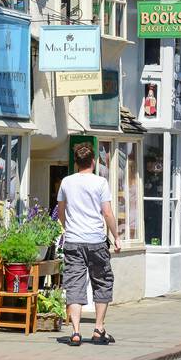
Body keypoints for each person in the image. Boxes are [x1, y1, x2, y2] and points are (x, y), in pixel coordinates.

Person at [56, 142, 121, 346]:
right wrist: (116, 236)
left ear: (76, 163)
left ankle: (75, 332)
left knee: (74, 284)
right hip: (95, 240)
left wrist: (69, 228)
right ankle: (98, 328)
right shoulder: (100, 183)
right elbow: (107, 213)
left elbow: (60, 212)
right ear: (93, 161)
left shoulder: (66, 182)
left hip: (74, 241)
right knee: (101, 282)